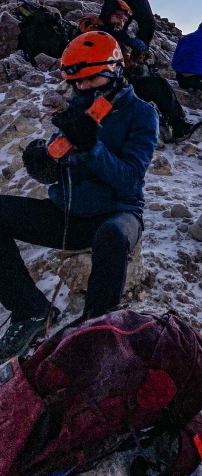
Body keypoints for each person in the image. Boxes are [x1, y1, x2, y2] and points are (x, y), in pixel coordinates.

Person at [0, 31, 158, 363]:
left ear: (115, 69)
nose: (83, 88)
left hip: (118, 214)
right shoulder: (77, 109)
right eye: (77, 83)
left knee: (112, 239)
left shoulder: (141, 114)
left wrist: (92, 147)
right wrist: (43, 164)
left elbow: (129, 180)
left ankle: (92, 336)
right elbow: (62, 170)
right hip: (69, 214)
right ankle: (31, 310)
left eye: (90, 79)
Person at [79, 0, 200, 144]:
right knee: (156, 87)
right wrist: (119, 37)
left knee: (157, 83)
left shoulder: (119, 40)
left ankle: (175, 125)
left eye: (124, 20)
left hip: (118, 84)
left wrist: (134, 62)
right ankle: (173, 127)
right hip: (97, 88)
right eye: (117, 17)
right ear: (107, 14)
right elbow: (92, 47)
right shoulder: (92, 27)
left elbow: (122, 64)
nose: (120, 22)